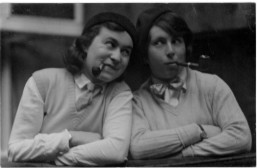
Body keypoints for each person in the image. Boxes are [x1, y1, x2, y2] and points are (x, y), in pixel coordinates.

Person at [8, 12, 136, 166]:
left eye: (125, 52)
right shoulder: (43, 83)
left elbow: (116, 151)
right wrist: (70, 138)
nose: (117, 57)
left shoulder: (119, 93)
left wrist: (52, 161)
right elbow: (16, 149)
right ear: (85, 45)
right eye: (110, 44)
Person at [130, 6, 252, 160]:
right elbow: (138, 148)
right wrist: (198, 131)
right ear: (145, 56)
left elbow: (241, 137)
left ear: (185, 47)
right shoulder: (138, 102)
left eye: (176, 41)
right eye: (159, 42)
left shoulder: (212, 86)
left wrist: (186, 154)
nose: (170, 51)